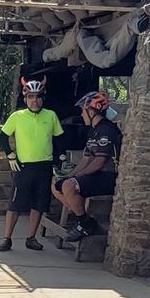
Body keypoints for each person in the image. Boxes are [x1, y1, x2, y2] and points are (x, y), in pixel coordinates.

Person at [0, 78, 62, 252]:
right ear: (25, 99)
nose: (35, 100)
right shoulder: (17, 116)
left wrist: (59, 159)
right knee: (15, 204)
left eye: (38, 96)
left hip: (44, 167)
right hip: (23, 167)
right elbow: (3, 136)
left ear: (43, 98)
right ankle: (6, 239)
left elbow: (59, 139)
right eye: (31, 97)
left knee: (39, 204)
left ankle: (31, 238)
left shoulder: (51, 116)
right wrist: (11, 156)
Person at [55, 90, 121, 243]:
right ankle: (84, 219)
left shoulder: (106, 130)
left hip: (108, 176)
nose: (81, 114)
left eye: (83, 111)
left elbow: (98, 162)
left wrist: (75, 178)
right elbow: (86, 159)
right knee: (56, 184)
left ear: (91, 111)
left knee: (69, 186)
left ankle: (84, 223)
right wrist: (70, 175)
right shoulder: (93, 130)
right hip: (96, 176)